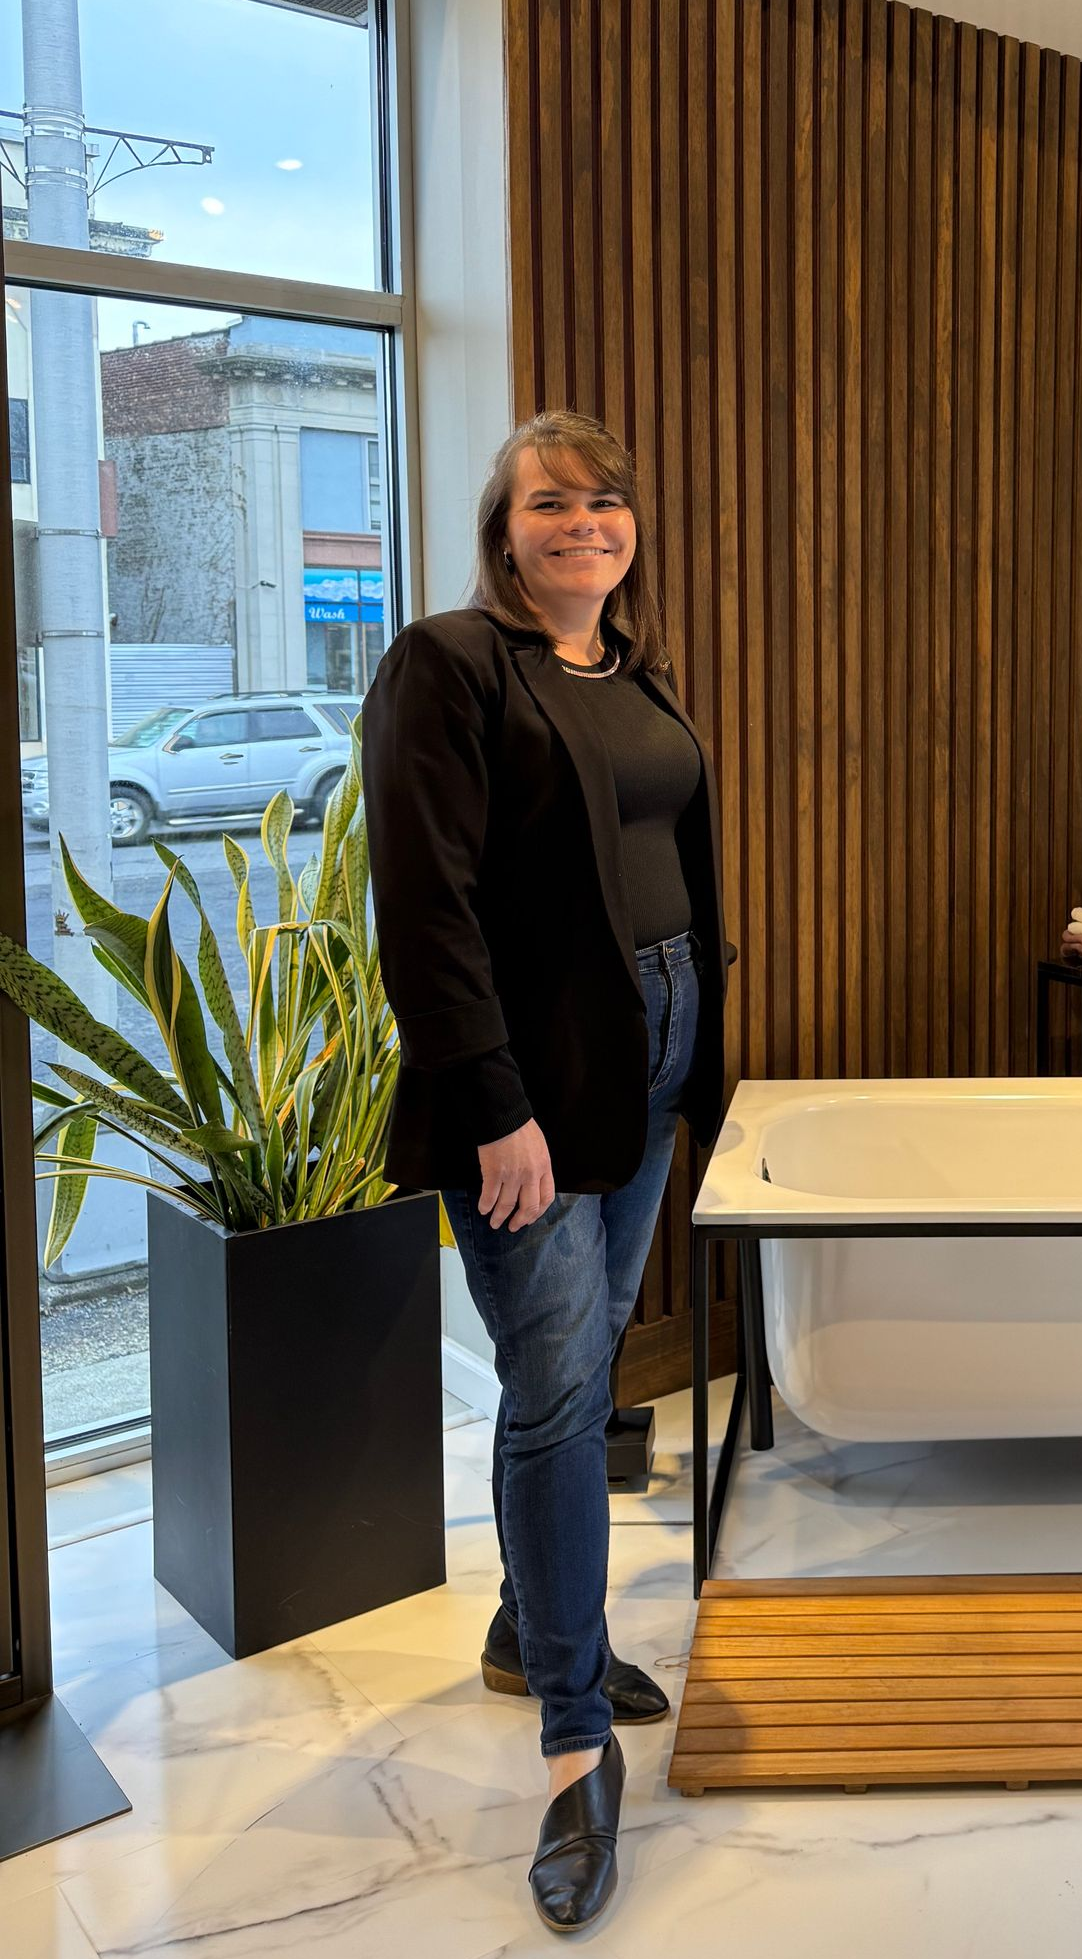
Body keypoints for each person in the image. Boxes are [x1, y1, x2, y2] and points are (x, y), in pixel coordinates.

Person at [362, 411, 729, 1934]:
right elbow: (424, 904)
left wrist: (696, 1057)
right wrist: (494, 1102)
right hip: (531, 1086)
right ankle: (574, 1748)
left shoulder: (628, 671)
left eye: (607, 500)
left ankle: (530, 1624)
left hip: (643, 1063)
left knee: (580, 1377)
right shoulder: (448, 666)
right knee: (562, 1390)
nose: (586, 521)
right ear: (503, 533)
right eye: (551, 503)